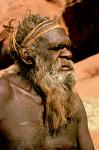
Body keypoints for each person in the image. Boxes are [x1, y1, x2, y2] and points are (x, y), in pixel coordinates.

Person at [0, 13, 94, 150]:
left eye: (68, 47)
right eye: (56, 48)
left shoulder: (74, 104)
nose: (68, 54)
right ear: (27, 56)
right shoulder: (3, 95)